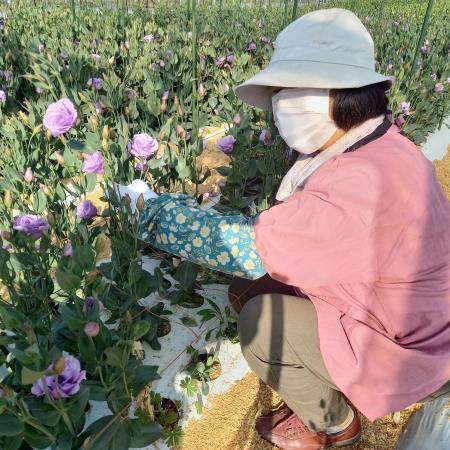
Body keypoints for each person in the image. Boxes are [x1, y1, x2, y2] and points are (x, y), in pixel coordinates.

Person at [133, 8, 450, 450]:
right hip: (406, 317)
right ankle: (322, 385)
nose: (278, 104)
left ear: (341, 95)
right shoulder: (381, 145)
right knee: (252, 287)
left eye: (288, 89)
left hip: (409, 352)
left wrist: (147, 210)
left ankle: (335, 424)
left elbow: (244, 248)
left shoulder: (361, 183)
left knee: (262, 324)